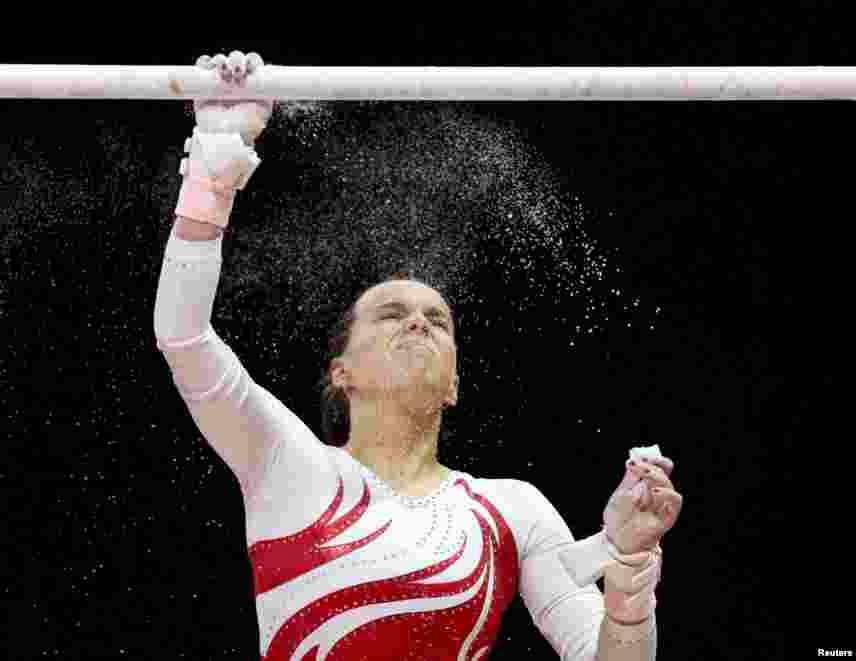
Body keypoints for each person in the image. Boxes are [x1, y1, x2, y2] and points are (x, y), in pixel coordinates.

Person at [153, 50, 683, 661]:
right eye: (390, 315)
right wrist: (214, 172)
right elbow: (185, 338)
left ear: (454, 382)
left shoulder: (512, 510)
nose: (417, 322)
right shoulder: (287, 463)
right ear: (341, 372)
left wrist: (631, 579)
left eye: (438, 320)